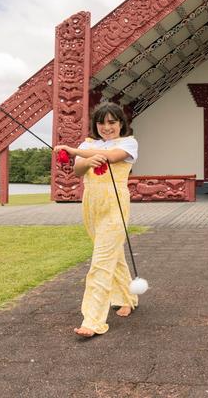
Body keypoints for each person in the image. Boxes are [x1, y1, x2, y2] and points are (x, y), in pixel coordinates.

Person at [54, 102, 139, 337]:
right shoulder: (88, 144)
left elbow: (112, 156)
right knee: (113, 255)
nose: (106, 127)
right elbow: (78, 171)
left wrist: (75, 152)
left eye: (112, 122)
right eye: (101, 122)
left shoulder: (128, 143)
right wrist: (85, 161)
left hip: (115, 205)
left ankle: (92, 320)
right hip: (91, 204)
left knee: (100, 261)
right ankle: (127, 298)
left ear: (121, 123)